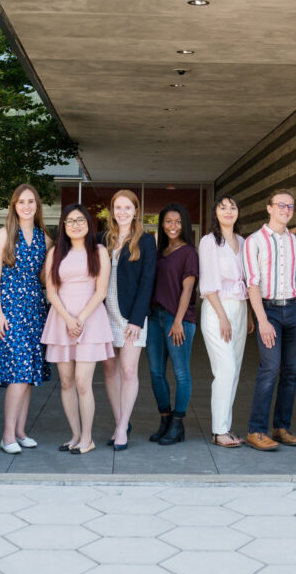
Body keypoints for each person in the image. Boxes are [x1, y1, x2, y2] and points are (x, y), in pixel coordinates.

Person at [41, 203, 113, 455]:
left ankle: (87, 437)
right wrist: (68, 319)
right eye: (70, 221)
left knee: (83, 382)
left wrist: (80, 319)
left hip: (90, 321)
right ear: (63, 226)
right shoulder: (55, 254)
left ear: (89, 224)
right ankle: (74, 435)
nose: (75, 225)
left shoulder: (99, 251)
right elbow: (51, 291)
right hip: (61, 320)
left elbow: (101, 291)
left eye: (80, 220)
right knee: (67, 382)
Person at [0, 184, 53, 455]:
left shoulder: (44, 239)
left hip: (36, 310)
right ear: (14, 205)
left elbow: (47, 278)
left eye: (31, 202)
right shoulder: (4, 234)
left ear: (37, 206)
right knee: (18, 373)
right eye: (21, 202)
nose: (26, 206)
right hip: (11, 311)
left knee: (28, 375)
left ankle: (20, 431)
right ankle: (7, 435)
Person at [243, 189, 296, 451]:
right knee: (269, 369)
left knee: (290, 373)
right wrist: (262, 321)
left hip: (295, 310)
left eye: (290, 207)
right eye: (280, 205)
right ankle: (256, 430)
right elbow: (252, 284)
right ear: (269, 208)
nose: (285, 210)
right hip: (269, 311)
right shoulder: (254, 241)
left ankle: (281, 427)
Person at [98, 190, 156, 451]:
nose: (122, 212)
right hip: (104, 313)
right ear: (112, 211)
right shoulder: (103, 239)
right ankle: (120, 421)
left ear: (136, 211)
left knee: (128, 370)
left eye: (127, 208)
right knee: (110, 369)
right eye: (117, 207)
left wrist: (137, 319)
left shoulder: (145, 241)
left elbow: (148, 282)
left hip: (132, 316)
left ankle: (122, 429)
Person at [198, 194, 253, 448]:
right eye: (223, 207)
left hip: (240, 308)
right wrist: (222, 317)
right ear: (215, 213)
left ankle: (225, 427)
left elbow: (249, 281)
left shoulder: (243, 241)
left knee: (234, 372)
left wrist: (249, 314)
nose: (228, 211)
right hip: (217, 309)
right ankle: (219, 430)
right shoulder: (209, 241)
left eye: (233, 206)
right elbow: (208, 284)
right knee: (225, 369)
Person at [147, 202, 199, 446]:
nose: (173, 226)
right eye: (168, 221)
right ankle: (165, 419)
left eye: (178, 222)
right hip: (155, 318)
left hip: (178, 320)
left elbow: (188, 288)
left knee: (181, 373)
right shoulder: (159, 251)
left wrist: (177, 321)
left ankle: (178, 425)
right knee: (156, 373)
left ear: (184, 224)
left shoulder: (189, 252)